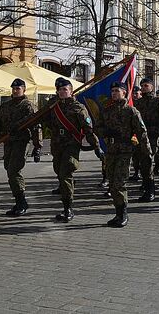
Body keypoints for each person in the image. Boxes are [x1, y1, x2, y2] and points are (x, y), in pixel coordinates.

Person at [94, 82, 150, 227]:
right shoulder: (107, 111)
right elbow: (98, 127)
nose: (114, 93)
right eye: (112, 91)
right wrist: (104, 132)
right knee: (112, 183)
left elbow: (142, 133)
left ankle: (123, 214)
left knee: (119, 183)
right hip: (111, 150)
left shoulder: (131, 111)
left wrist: (146, 151)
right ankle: (117, 213)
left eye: (117, 91)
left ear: (124, 92)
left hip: (125, 150)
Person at [47, 77, 101, 222]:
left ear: (71, 91)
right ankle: (67, 195)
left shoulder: (78, 107)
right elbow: (40, 119)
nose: (62, 92)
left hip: (71, 145)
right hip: (56, 145)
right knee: (59, 172)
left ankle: (68, 209)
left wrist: (96, 147)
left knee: (65, 174)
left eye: (65, 89)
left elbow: (88, 129)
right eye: (60, 90)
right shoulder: (52, 105)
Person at [0, 78, 40, 217]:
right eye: (13, 88)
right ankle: (19, 200)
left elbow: (36, 127)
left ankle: (21, 201)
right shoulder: (6, 106)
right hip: (9, 142)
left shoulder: (28, 106)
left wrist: (38, 146)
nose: (15, 90)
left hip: (21, 142)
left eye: (18, 88)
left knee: (14, 170)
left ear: (24, 90)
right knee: (9, 168)